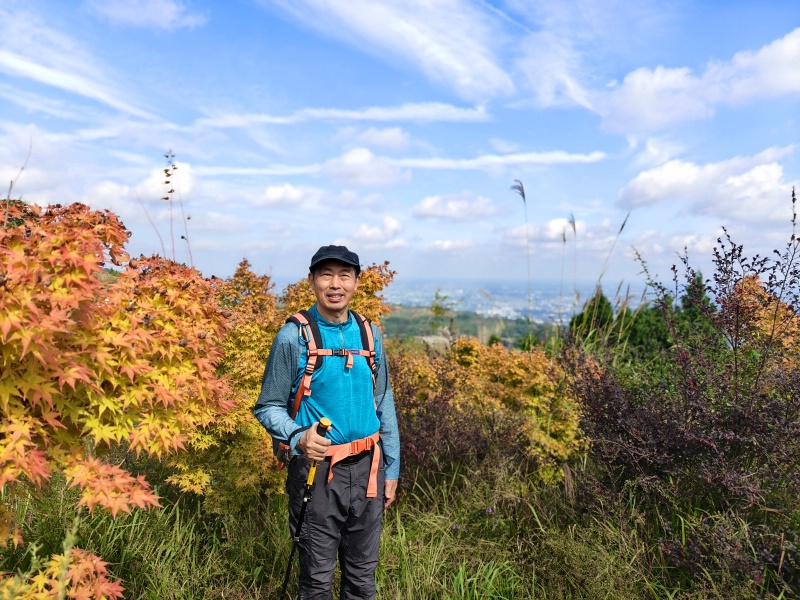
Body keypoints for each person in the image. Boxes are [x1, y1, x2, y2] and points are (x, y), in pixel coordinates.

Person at [254, 245, 400, 599]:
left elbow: (383, 402)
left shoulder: (370, 335)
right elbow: (268, 406)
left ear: (356, 282)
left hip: (369, 469)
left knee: (363, 580)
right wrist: (298, 436)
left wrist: (392, 469)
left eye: (344, 275)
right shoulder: (293, 336)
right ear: (312, 281)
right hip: (317, 473)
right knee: (317, 581)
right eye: (326, 275)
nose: (335, 284)